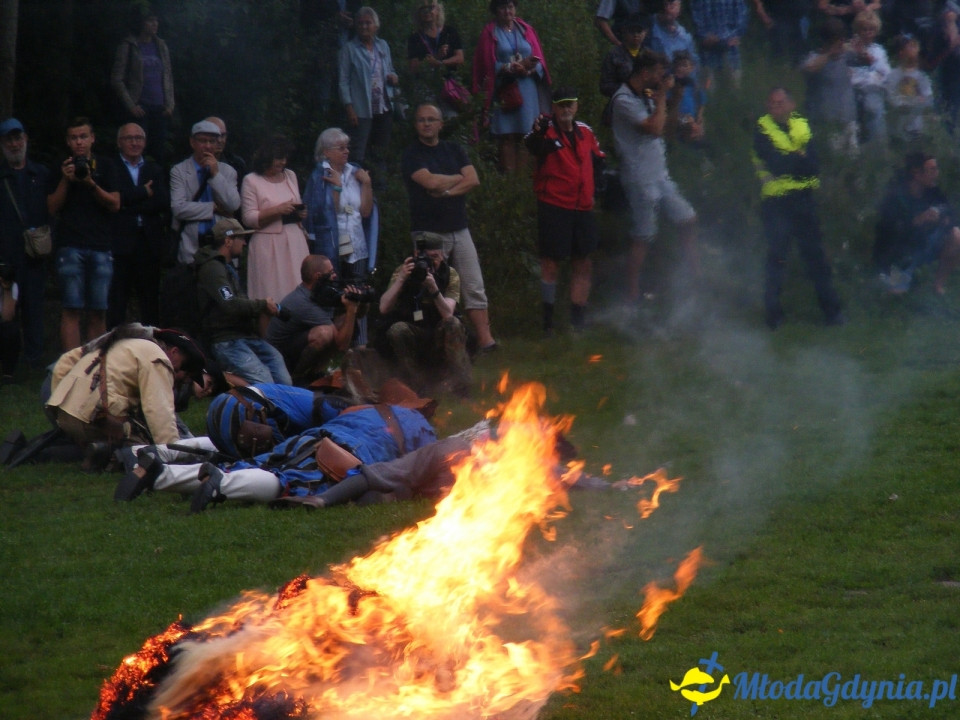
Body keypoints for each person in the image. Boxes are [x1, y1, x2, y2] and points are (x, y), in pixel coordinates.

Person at [115, 402, 438, 511]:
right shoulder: (423, 430)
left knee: (258, 462)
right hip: (346, 452)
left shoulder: (366, 408)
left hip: (314, 436)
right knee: (289, 482)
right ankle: (221, 485)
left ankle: (160, 473)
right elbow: (412, 473)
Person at [401, 103, 496, 351]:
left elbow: (473, 180)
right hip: (428, 232)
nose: (426, 124)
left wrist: (446, 192)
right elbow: (430, 182)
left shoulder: (454, 149)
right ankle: (434, 345)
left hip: (459, 228)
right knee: (430, 286)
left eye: (431, 119)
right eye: (421, 120)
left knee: (473, 284)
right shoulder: (412, 154)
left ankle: (486, 341)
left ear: (441, 124)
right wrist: (457, 178)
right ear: (416, 125)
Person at [752, 87, 844, 328]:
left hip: (804, 200)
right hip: (777, 202)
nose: (775, 107)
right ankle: (773, 315)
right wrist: (798, 158)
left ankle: (832, 313)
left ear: (791, 104)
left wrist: (795, 160)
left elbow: (814, 165)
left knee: (816, 257)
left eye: (780, 102)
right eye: (772, 103)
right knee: (777, 258)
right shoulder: (762, 129)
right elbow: (776, 164)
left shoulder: (802, 125)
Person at [611, 51, 699, 303]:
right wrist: (662, 97)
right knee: (643, 236)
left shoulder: (647, 96)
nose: (663, 77)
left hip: (660, 174)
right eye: (660, 73)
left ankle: (695, 280)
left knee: (688, 219)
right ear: (645, 72)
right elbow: (654, 128)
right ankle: (632, 297)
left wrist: (677, 97)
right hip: (639, 177)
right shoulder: (624, 99)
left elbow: (667, 131)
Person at [45, 324, 205, 449]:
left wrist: (60, 402)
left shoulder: (122, 340)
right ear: (174, 352)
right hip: (96, 420)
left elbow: (66, 361)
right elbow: (158, 411)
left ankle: (93, 449)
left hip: (63, 413)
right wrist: (173, 451)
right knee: (143, 443)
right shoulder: (158, 359)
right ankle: (107, 455)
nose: (184, 379)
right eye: (186, 370)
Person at [524, 87, 604, 334]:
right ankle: (548, 322)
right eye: (561, 104)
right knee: (550, 264)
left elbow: (599, 160)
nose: (566, 108)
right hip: (554, 205)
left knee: (583, 262)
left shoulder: (586, 132)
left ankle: (577, 321)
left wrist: (596, 189)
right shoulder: (545, 131)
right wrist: (538, 132)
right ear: (554, 107)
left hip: (583, 206)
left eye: (570, 103)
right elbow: (531, 145)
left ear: (576, 106)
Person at [46, 117, 121, 351]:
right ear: (68, 141)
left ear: (92, 139)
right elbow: (52, 207)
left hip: (101, 245)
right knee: (71, 308)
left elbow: (115, 204)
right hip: (69, 244)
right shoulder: (59, 167)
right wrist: (65, 180)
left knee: (99, 309)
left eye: (83, 137)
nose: (79, 142)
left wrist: (90, 182)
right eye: (74, 138)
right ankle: (72, 364)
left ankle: (95, 362)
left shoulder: (106, 165)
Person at [195, 218, 292, 385]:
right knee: (265, 384)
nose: (245, 243)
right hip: (227, 341)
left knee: (284, 381)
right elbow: (230, 305)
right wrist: (262, 304)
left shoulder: (227, 267)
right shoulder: (212, 268)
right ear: (228, 241)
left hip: (247, 337)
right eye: (241, 238)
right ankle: (221, 379)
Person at [376, 233, 472, 396]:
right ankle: (416, 385)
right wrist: (401, 280)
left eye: (434, 257)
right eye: (425, 257)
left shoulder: (449, 274)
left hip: (439, 331)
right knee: (397, 329)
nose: (429, 262)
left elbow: (448, 314)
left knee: (454, 324)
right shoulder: (404, 271)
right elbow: (383, 308)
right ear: (415, 254)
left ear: (442, 255)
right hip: (414, 330)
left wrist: (433, 288)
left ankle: (461, 386)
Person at [472, 0, 551, 174]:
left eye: (510, 6)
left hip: (527, 89)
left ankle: (521, 180)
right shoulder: (489, 33)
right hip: (504, 89)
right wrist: (508, 67)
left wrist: (528, 69)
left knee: (527, 134)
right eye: (503, 7)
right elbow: (485, 64)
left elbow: (540, 61)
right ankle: (508, 179)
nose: (507, 11)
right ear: (495, 10)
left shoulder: (526, 29)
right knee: (506, 136)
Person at [108, 123, 168, 329]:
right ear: (119, 142)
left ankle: (152, 345)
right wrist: (142, 193)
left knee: (150, 302)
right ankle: (113, 344)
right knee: (116, 302)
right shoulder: (111, 167)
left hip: (148, 244)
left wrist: (127, 203)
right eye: (129, 138)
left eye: (139, 138)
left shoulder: (154, 169)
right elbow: (112, 203)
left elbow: (162, 202)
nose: (134, 142)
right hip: (119, 245)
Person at [0, 118, 50, 368]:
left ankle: (34, 362)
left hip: (34, 256)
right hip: (5, 255)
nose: (14, 144)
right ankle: (8, 364)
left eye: (18, 138)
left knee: (34, 310)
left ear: (26, 139)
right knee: (6, 313)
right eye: (9, 139)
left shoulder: (41, 174)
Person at [873, 152, 960, 295]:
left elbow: (951, 213)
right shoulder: (897, 196)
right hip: (898, 254)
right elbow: (888, 233)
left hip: (924, 245)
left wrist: (942, 218)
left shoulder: (933, 191)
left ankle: (937, 286)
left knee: (957, 236)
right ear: (917, 173)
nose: (936, 174)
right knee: (895, 293)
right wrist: (916, 221)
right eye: (932, 170)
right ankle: (899, 280)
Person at [266, 254, 361, 383]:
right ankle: (298, 378)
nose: (334, 276)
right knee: (324, 333)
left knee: (341, 322)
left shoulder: (317, 293)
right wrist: (351, 309)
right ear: (318, 276)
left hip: (291, 346)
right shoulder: (303, 301)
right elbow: (341, 345)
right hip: (278, 357)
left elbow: (356, 317)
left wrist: (360, 301)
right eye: (331, 272)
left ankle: (316, 373)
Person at [241, 136, 309, 307]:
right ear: (267, 157)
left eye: (285, 158)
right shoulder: (251, 180)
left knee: (299, 289)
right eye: (279, 158)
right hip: (268, 244)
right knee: (271, 293)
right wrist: (277, 210)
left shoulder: (290, 176)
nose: (283, 162)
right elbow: (248, 218)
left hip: (295, 241)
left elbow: (296, 201)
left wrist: (300, 212)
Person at [170, 120, 241, 264]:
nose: (208, 146)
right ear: (192, 142)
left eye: (212, 141)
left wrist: (216, 175)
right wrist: (212, 207)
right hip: (191, 248)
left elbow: (233, 205)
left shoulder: (228, 171)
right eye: (203, 141)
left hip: (222, 247)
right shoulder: (179, 170)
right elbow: (178, 208)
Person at [338, 6, 399, 175]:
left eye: (368, 23)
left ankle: (379, 187)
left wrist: (394, 77)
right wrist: (349, 107)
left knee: (380, 153)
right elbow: (343, 81)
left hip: (383, 107)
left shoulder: (383, 45)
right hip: (361, 109)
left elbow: (391, 69)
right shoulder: (349, 49)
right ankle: (354, 187)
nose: (364, 26)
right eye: (360, 23)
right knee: (357, 153)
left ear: (376, 26)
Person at [110, 6, 175, 164]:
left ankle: (157, 179)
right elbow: (117, 78)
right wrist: (131, 105)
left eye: (156, 21)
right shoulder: (129, 45)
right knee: (137, 150)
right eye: (150, 21)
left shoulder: (161, 45)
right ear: (141, 23)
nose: (154, 24)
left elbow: (168, 75)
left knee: (159, 151)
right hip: (140, 106)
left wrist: (170, 104)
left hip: (160, 107)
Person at [801, 17, 858, 154]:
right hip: (826, 120)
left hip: (848, 117)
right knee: (834, 152)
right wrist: (829, 54)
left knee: (853, 153)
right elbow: (809, 69)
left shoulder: (846, 55)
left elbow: (863, 56)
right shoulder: (814, 57)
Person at [406, 0, 467, 117]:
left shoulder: (450, 32)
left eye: (430, 8)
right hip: (426, 87)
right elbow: (413, 67)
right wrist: (435, 57)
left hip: (448, 86)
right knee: (429, 118)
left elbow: (460, 58)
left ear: (438, 10)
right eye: (423, 9)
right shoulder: (415, 38)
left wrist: (440, 63)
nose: (427, 12)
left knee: (451, 119)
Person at [848, 10, 890, 144]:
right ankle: (852, 144)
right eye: (864, 29)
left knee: (873, 107)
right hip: (851, 90)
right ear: (857, 30)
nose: (867, 33)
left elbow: (885, 74)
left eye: (871, 30)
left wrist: (871, 63)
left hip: (872, 89)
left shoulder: (878, 51)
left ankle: (877, 143)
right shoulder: (848, 49)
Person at [885, 33, 934, 143]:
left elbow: (928, 98)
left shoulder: (921, 76)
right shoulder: (893, 75)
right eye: (911, 47)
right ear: (901, 52)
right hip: (897, 126)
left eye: (916, 47)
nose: (915, 50)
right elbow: (890, 97)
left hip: (916, 127)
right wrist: (904, 103)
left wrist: (921, 101)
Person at [690, 0, 750, 87]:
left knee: (734, 88)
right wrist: (704, 36)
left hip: (731, 52)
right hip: (707, 52)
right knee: (708, 89)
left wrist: (731, 37)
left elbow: (742, 16)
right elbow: (695, 15)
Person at [923, 4, 960, 134]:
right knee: (949, 108)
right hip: (947, 74)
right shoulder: (938, 29)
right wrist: (951, 45)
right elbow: (931, 63)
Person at [599, 15, 650, 101]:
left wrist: (648, 92)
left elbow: (656, 82)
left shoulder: (649, 55)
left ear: (645, 32)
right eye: (632, 31)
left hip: (645, 102)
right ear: (624, 32)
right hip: (621, 102)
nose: (636, 35)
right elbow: (605, 86)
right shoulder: (614, 55)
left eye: (639, 31)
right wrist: (628, 89)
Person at [751, 0, 812, 65]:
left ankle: (798, 58)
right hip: (777, 14)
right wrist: (760, 7)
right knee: (781, 37)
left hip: (792, 16)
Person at [668, 50, 707, 143]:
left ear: (691, 67)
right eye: (678, 65)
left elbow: (701, 101)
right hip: (676, 123)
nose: (681, 68)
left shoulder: (693, 85)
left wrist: (699, 116)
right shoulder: (669, 85)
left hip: (692, 121)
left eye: (685, 65)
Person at [648, 0, 700, 68]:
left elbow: (694, 63)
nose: (667, 8)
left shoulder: (685, 36)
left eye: (672, 5)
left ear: (679, 8)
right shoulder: (647, 26)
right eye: (665, 4)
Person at [205, 116, 248, 193]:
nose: (220, 140)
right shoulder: (188, 166)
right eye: (215, 136)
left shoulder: (237, 165)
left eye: (223, 135)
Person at [0, 260, 17, 382]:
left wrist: (6, 290)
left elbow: (7, 316)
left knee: (11, 330)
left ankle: (8, 373)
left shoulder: (12, 286)